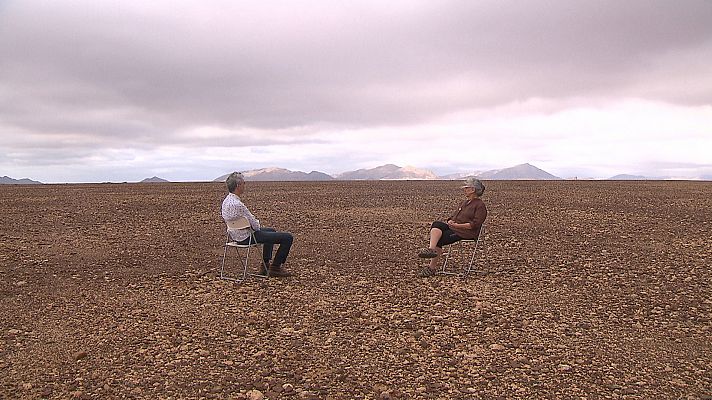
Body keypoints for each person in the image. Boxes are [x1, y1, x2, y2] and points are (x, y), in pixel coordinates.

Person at [221, 172, 294, 277]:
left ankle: (265, 265)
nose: (244, 185)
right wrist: (256, 224)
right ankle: (275, 267)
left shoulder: (226, 201)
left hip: (235, 236)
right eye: (243, 183)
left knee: (271, 231)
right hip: (247, 237)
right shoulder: (238, 204)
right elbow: (255, 226)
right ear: (238, 186)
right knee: (287, 238)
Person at [418, 177, 487, 277]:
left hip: (466, 232)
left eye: (467, 187)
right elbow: (454, 216)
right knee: (437, 224)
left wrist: (457, 225)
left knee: (440, 238)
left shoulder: (480, 205)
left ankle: (431, 267)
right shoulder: (465, 203)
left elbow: (475, 224)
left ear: (473, 190)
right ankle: (431, 249)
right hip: (455, 228)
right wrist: (450, 221)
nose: (465, 189)